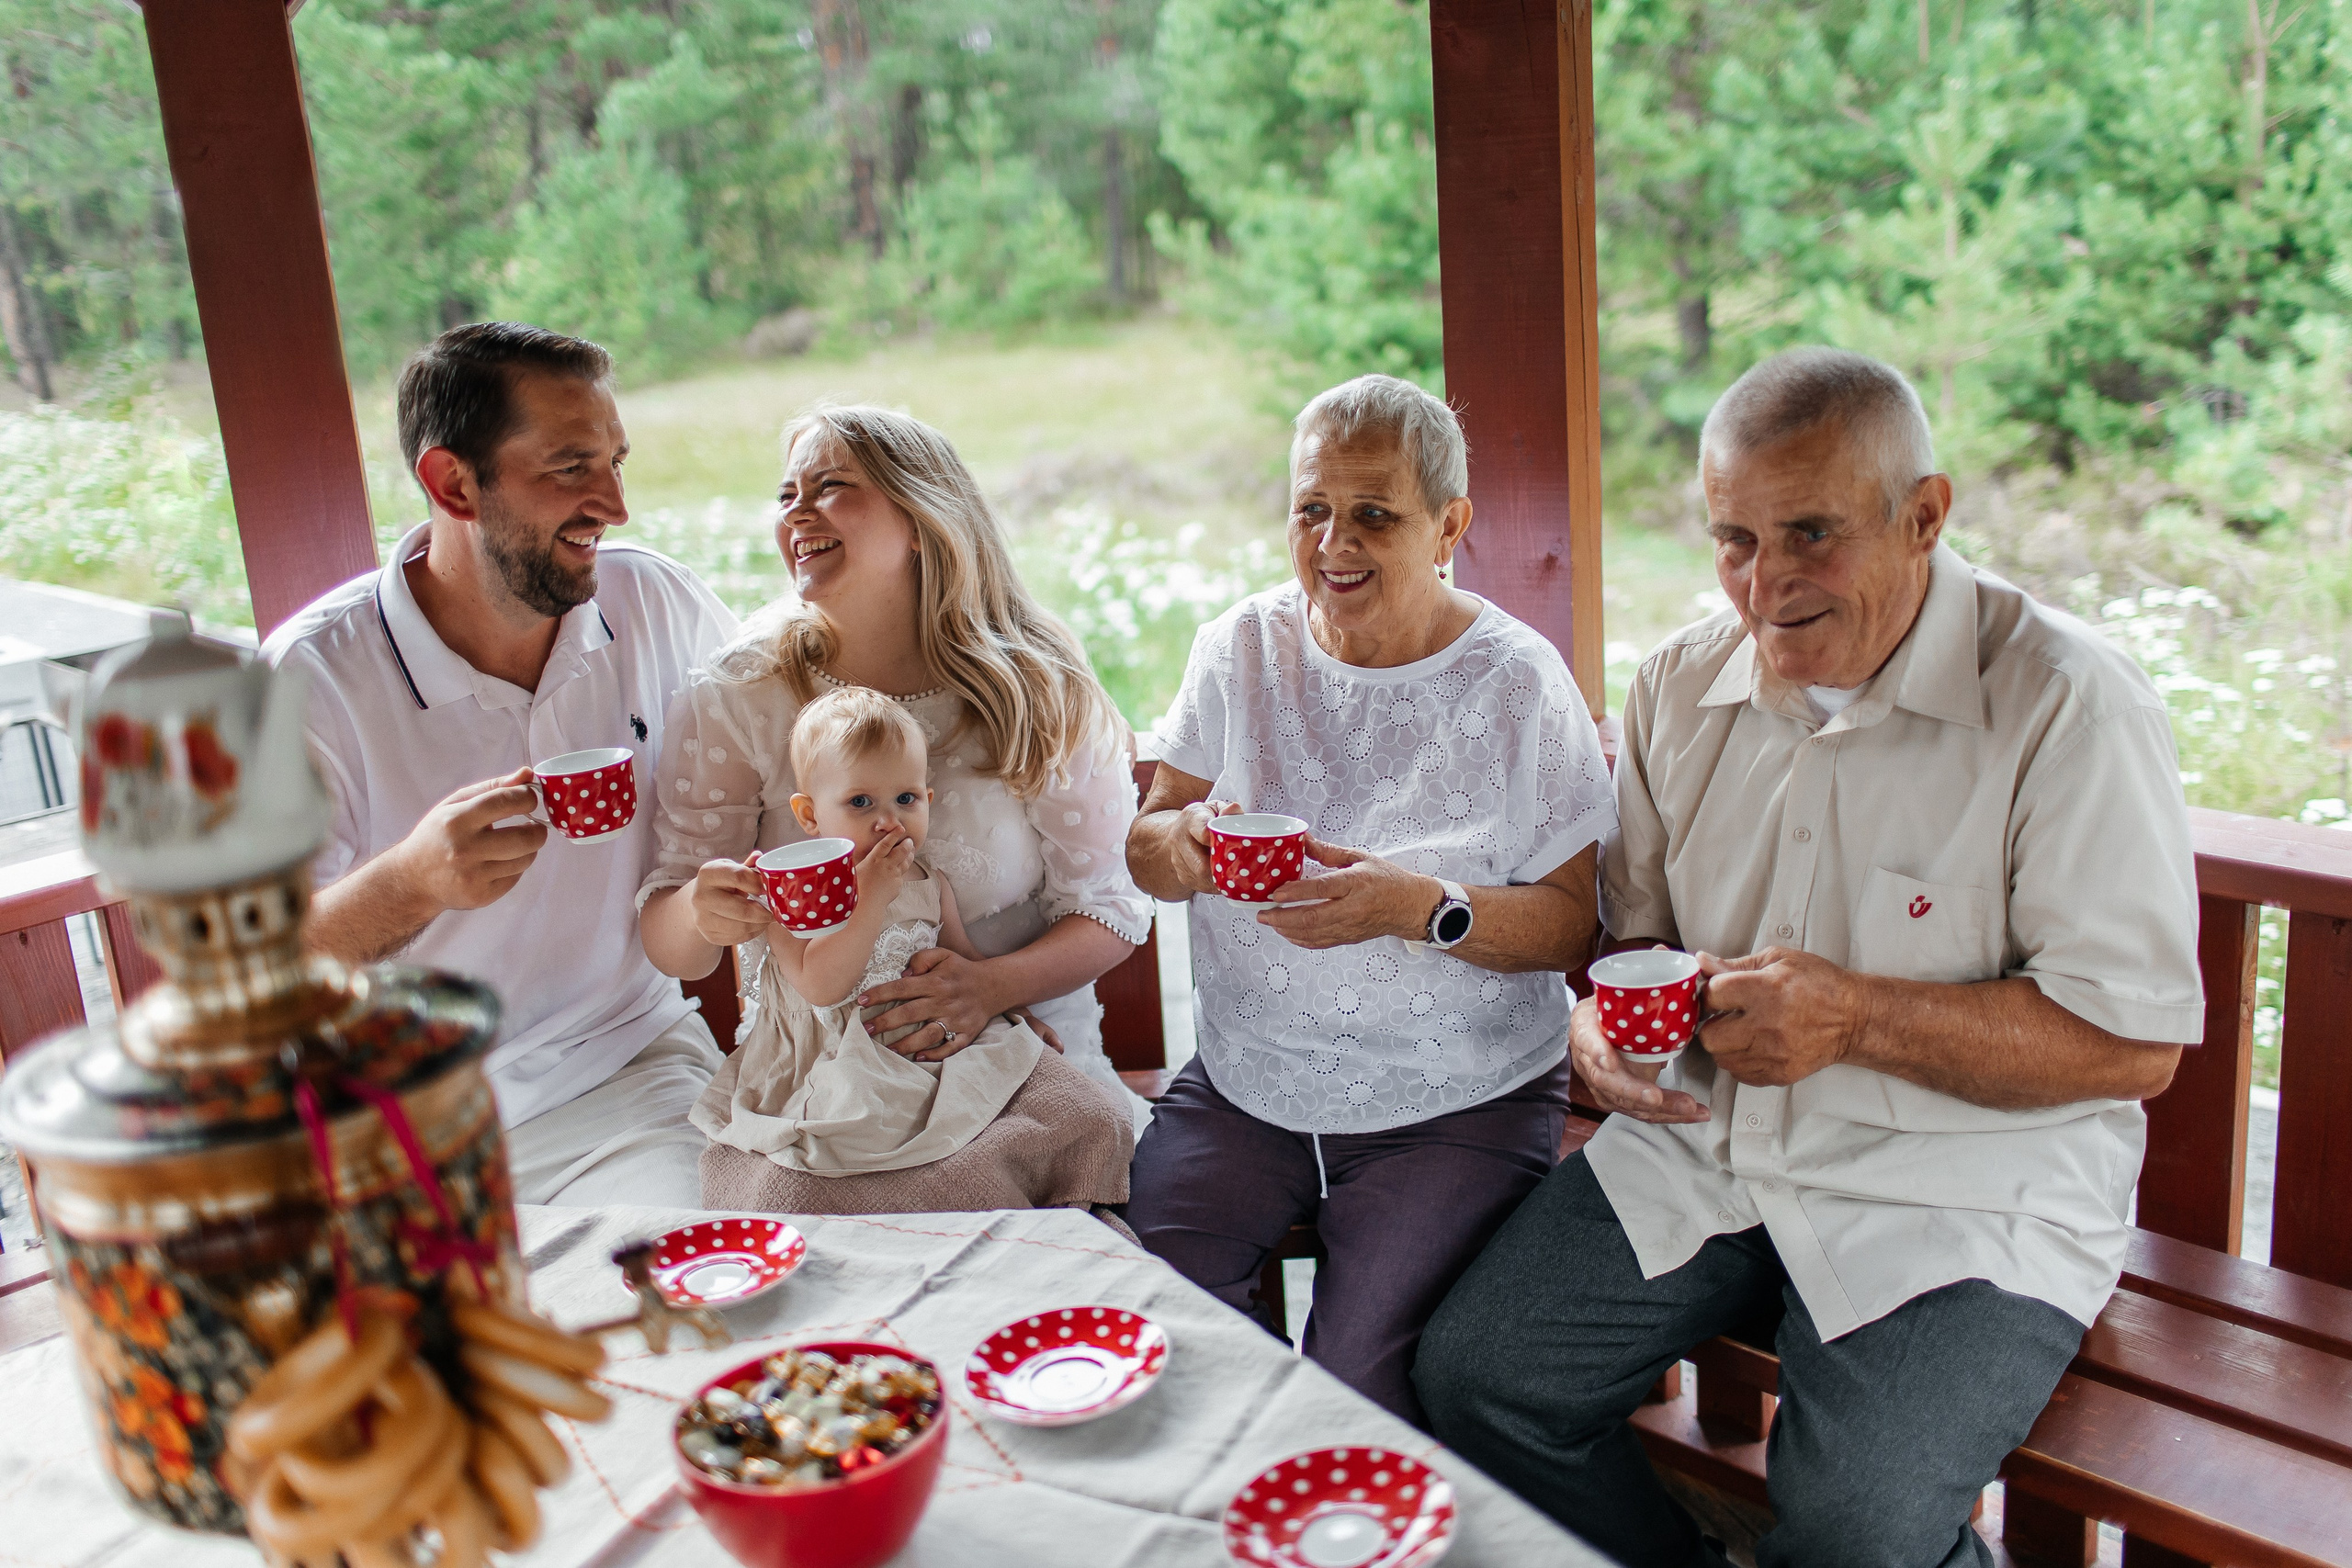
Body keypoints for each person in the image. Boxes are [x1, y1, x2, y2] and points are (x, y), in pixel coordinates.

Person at [1415, 348, 2202, 1568]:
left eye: (1812, 533)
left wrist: (1858, 1016)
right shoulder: (1680, 682)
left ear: (1924, 515)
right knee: (1478, 1379)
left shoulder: (2067, 701)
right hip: (1711, 1147)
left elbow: (2137, 1041)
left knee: (1853, 1528)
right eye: (1734, 538)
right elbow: (1632, 940)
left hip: (1965, 1188)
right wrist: (1590, 1029)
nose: (1765, 582)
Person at [1123, 373, 1614, 1423]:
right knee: (1161, 1314)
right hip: (1250, 1080)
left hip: (1455, 1099)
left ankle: (1339, 1508)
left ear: (1448, 526)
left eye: (1372, 515)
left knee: (1354, 1381)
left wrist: (1419, 906)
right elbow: (1148, 846)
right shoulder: (1239, 647)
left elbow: (1574, 921)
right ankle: (1248, 1502)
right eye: (1311, 509)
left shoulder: (1516, 681)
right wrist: (1191, 843)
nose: (1333, 542)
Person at [264, 321, 740, 1207]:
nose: (614, 504)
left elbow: (792, 746)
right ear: (452, 483)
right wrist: (410, 880)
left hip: (625, 1072)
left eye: (616, 462)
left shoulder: (657, 603)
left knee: (692, 1301)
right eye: (570, 468)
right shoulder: (309, 681)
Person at [638, 403, 1147, 1215]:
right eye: (786, 494)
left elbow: (1112, 907)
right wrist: (704, 911)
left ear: (921, 520)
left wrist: (987, 990)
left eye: (831, 487)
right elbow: (676, 947)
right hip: (822, 1070)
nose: (796, 512)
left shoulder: (1036, 684)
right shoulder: (739, 693)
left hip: (1017, 1041)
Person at [688, 686, 1062, 1174]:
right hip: (833, 1065)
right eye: (860, 802)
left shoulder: (929, 880)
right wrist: (869, 897)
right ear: (810, 815)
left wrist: (1013, 1008)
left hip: (924, 1048)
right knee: (854, 1157)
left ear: (927, 800)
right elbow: (821, 987)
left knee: (1054, 1112)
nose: (889, 820)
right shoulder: (791, 893)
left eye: (906, 798)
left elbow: (965, 962)